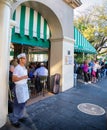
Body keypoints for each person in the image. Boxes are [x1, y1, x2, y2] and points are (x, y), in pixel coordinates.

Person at [9, 53, 29, 128]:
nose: (26, 59)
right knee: (17, 104)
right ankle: (14, 120)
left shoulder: (24, 67)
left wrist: (25, 78)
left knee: (23, 103)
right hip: (19, 88)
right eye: (24, 58)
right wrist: (23, 77)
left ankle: (20, 116)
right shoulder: (17, 68)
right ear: (20, 60)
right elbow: (13, 79)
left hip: (24, 87)